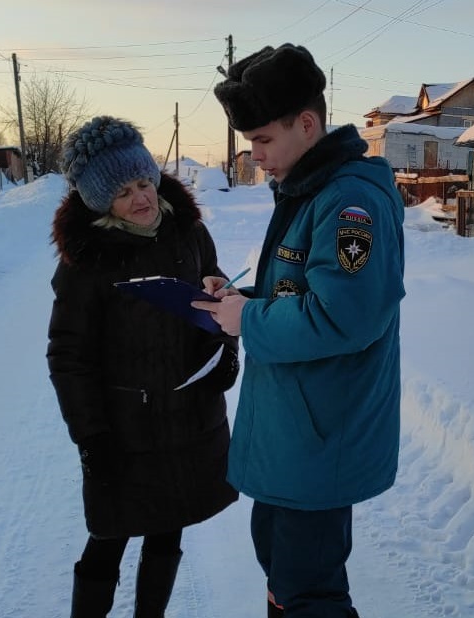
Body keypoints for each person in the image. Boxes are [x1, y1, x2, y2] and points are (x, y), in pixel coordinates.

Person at [196, 43, 405, 617]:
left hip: (320, 436)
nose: (255, 156)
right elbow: (302, 294)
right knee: (283, 573)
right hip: (295, 433)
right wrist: (244, 300)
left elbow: (345, 317)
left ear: (307, 125)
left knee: (309, 592)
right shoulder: (308, 189)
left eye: (263, 140)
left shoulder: (349, 202)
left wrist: (249, 319)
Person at [47, 116, 240, 618]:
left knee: (168, 531)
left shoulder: (189, 233)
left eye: (142, 182)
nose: (141, 198)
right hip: (124, 432)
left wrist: (224, 338)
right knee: (108, 539)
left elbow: (216, 295)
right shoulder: (86, 262)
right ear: (99, 201)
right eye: (122, 192)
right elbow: (68, 356)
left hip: (187, 419)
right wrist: (91, 437)